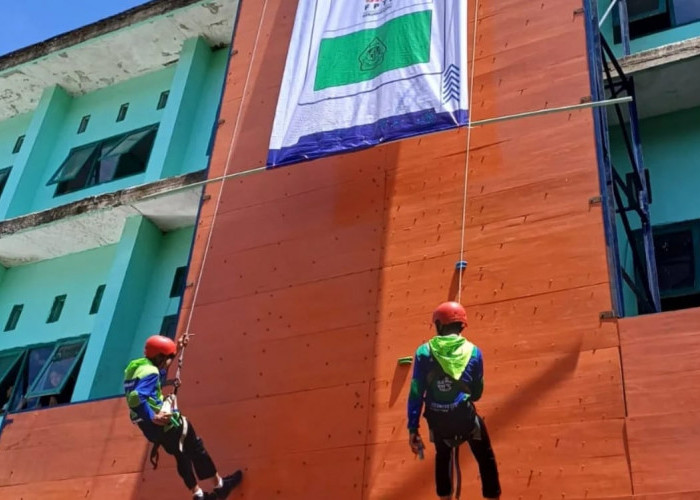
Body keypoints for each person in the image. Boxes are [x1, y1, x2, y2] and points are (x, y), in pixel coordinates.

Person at [124, 334, 243, 499]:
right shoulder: (151, 372)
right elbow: (136, 397)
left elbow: (150, 379)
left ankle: (198, 495)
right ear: (159, 357)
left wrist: (177, 348)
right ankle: (220, 486)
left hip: (151, 430)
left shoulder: (136, 367)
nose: (169, 360)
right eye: (169, 357)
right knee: (196, 448)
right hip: (167, 424)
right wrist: (153, 415)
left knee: (180, 455)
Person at [407, 301, 501, 499]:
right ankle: (492, 496)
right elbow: (477, 393)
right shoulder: (474, 352)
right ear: (461, 326)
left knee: (443, 455)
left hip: (438, 421)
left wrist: (413, 428)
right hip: (464, 419)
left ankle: (445, 497)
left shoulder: (423, 352)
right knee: (485, 456)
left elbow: (416, 392)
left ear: (439, 325)